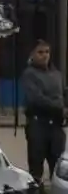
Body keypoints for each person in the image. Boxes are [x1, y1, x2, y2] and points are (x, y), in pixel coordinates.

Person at [21, 40, 67, 184]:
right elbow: (36, 99)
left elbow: (63, 94)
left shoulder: (57, 74)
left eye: (47, 52)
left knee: (59, 169)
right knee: (36, 171)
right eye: (40, 52)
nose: (44, 55)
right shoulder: (29, 75)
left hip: (56, 127)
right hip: (38, 125)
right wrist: (60, 108)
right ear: (33, 54)